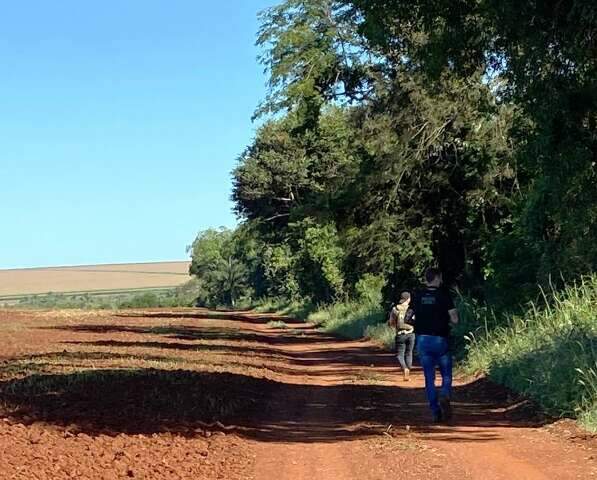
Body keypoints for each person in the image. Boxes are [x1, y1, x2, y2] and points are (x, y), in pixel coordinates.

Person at [404, 267, 459, 423]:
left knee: (429, 377)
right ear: (437, 278)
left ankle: (435, 411)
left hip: (423, 340)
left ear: (426, 279)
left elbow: (407, 318)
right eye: (440, 278)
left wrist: (419, 323)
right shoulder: (444, 295)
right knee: (446, 374)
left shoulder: (417, 296)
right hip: (441, 339)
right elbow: (455, 319)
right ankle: (445, 393)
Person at [387, 291, 415, 381]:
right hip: (411, 334)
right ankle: (408, 370)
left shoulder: (396, 309)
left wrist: (394, 327)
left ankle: (404, 368)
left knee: (400, 355)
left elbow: (391, 322)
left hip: (400, 334)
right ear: (408, 299)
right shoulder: (413, 308)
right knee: (409, 353)